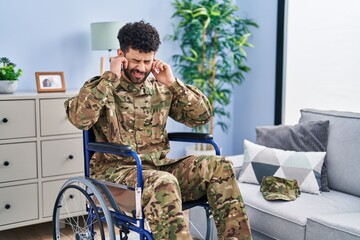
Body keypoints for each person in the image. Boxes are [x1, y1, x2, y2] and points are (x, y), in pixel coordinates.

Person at [65, 20, 251, 240]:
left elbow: (202, 115)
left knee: (220, 165)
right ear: (120, 54)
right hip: (116, 174)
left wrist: (172, 83)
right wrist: (110, 78)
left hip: (160, 168)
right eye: (135, 60)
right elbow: (80, 119)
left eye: (147, 61)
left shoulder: (160, 88)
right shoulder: (100, 87)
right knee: (163, 181)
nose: (141, 68)